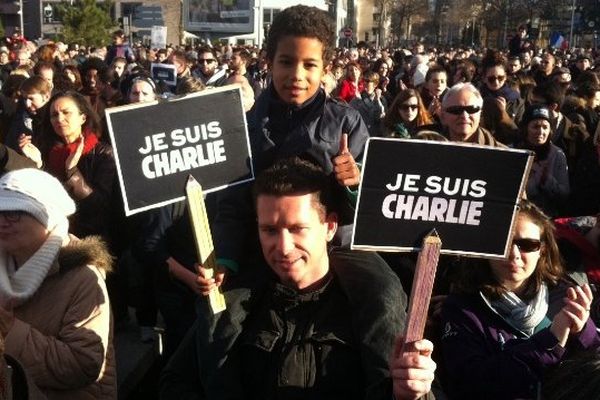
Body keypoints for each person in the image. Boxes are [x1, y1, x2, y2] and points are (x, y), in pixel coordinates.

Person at [160, 157, 436, 399]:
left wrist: (411, 393)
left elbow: (399, 388)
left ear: (329, 227)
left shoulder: (371, 304)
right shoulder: (232, 301)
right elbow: (176, 382)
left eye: (297, 229)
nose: (283, 247)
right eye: (269, 230)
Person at [209, 5, 369, 285]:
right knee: (220, 322)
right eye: (286, 62)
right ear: (268, 62)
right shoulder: (243, 127)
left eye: (309, 64)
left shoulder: (347, 123)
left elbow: (370, 206)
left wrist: (354, 184)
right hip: (260, 252)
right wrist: (224, 258)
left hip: (335, 256)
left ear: (326, 68)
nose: (297, 75)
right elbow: (231, 204)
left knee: (387, 297)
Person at [440, 199, 600, 399]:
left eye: (527, 244)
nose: (514, 254)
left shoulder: (564, 294)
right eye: (503, 243)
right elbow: (471, 384)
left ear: (542, 250)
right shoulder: (462, 308)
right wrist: (550, 341)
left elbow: (593, 366)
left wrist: (584, 331)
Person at [0, 168, 116, 398]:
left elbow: (84, 366)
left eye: (14, 212)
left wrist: (10, 330)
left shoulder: (83, 278)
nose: (2, 221)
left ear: (48, 218)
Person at [18, 91, 116, 240]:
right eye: (54, 115)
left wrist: (72, 172)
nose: (60, 119)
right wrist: (38, 164)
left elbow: (100, 206)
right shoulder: (47, 149)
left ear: (83, 117)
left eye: (66, 113)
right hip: (52, 233)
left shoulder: (103, 153)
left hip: (88, 238)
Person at [515, 105, 569, 217]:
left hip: (546, 216)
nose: (540, 132)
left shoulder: (557, 155)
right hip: (518, 215)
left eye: (545, 127)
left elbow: (564, 194)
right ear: (526, 128)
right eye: (535, 126)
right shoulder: (513, 151)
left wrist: (546, 179)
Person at [435, 82, 505, 147]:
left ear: (480, 114)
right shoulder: (428, 149)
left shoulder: (505, 156)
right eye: (456, 110)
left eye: (472, 109)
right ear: (443, 115)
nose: (464, 115)